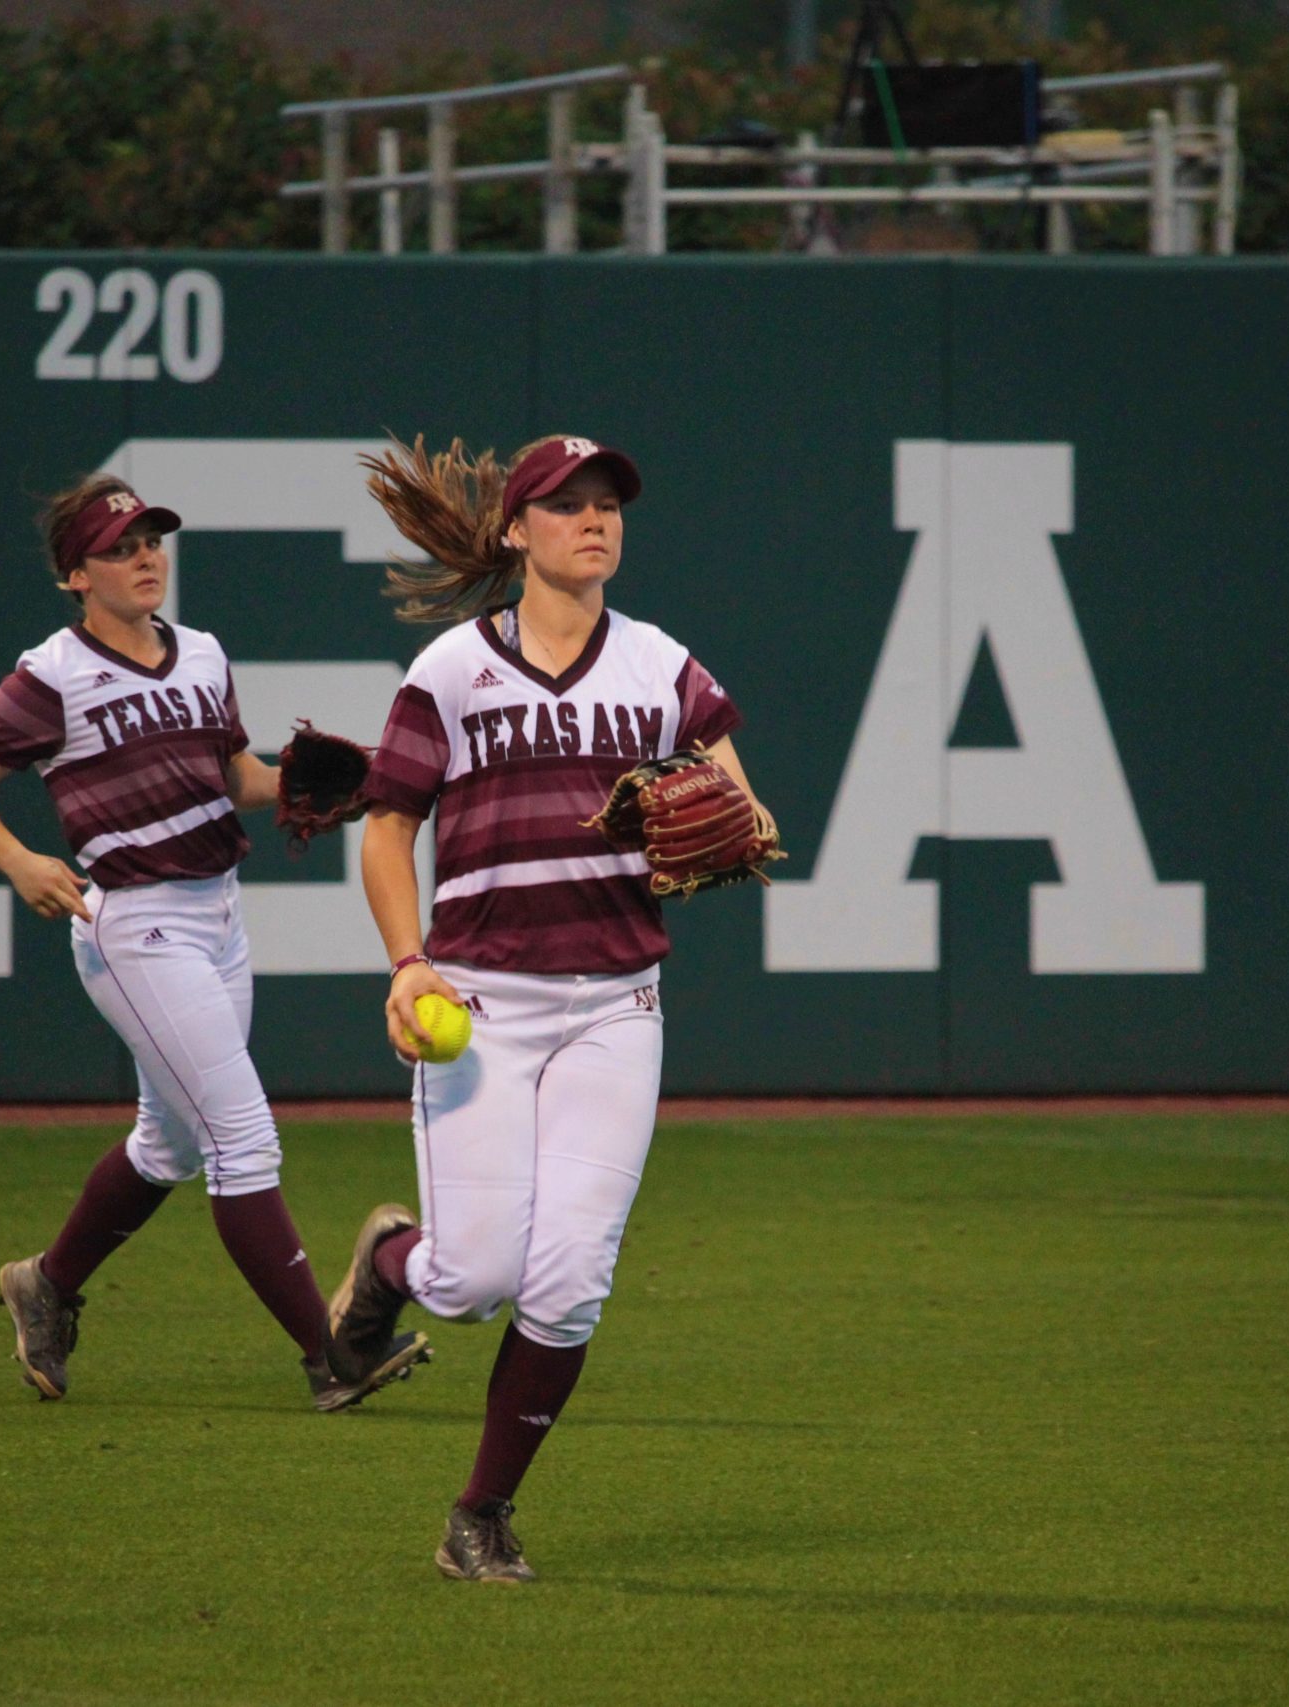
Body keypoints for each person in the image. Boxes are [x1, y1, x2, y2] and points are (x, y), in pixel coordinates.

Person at [317, 434, 765, 1582]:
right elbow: (387, 829)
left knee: (568, 1278)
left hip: (616, 1005)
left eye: (607, 502)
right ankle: (386, 1270)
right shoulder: (452, 671)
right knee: (469, 1280)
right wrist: (406, 962)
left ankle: (481, 1514)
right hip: (480, 1002)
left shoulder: (660, 664)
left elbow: (742, 810)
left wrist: (730, 825)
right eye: (565, 505)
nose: (593, 520)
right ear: (516, 532)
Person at [0, 474, 430, 1413]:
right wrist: (19, 861)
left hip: (218, 912)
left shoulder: (200, 653)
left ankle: (46, 1281)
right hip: (134, 924)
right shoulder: (53, 675)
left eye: (152, 539)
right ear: (75, 573)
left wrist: (319, 785)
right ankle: (329, 1356)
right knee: (242, 1135)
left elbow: (233, 773)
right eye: (119, 547)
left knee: (168, 1140)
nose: (145, 556)